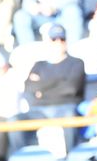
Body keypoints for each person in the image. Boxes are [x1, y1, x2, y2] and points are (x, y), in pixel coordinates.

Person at [16, 23, 86, 154]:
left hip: (66, 108)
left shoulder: (77, 63)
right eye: (54, 39)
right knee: (14, 120)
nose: (58, 42)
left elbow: (71, 89)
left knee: (70, 117)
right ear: (48, 42)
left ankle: (71, 157)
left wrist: (42, 89)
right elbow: (28, 87)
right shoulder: (39, 65)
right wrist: (60, 81)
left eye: (62, 39)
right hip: (39, 110)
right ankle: (18, 158)